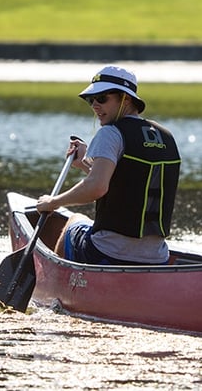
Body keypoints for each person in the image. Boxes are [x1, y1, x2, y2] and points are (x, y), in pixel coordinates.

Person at [35, 65, 181, 265]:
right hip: (157, 257)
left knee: (74, 221)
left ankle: (63, 286)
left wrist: (53, 202)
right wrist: (86, 163)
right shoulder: (166, 136)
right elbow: (131, 183)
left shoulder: (110, 133)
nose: (95, 105)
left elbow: (96, 187)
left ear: (126, 98)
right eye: (91, 99)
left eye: (102, 98)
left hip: (109, 253)